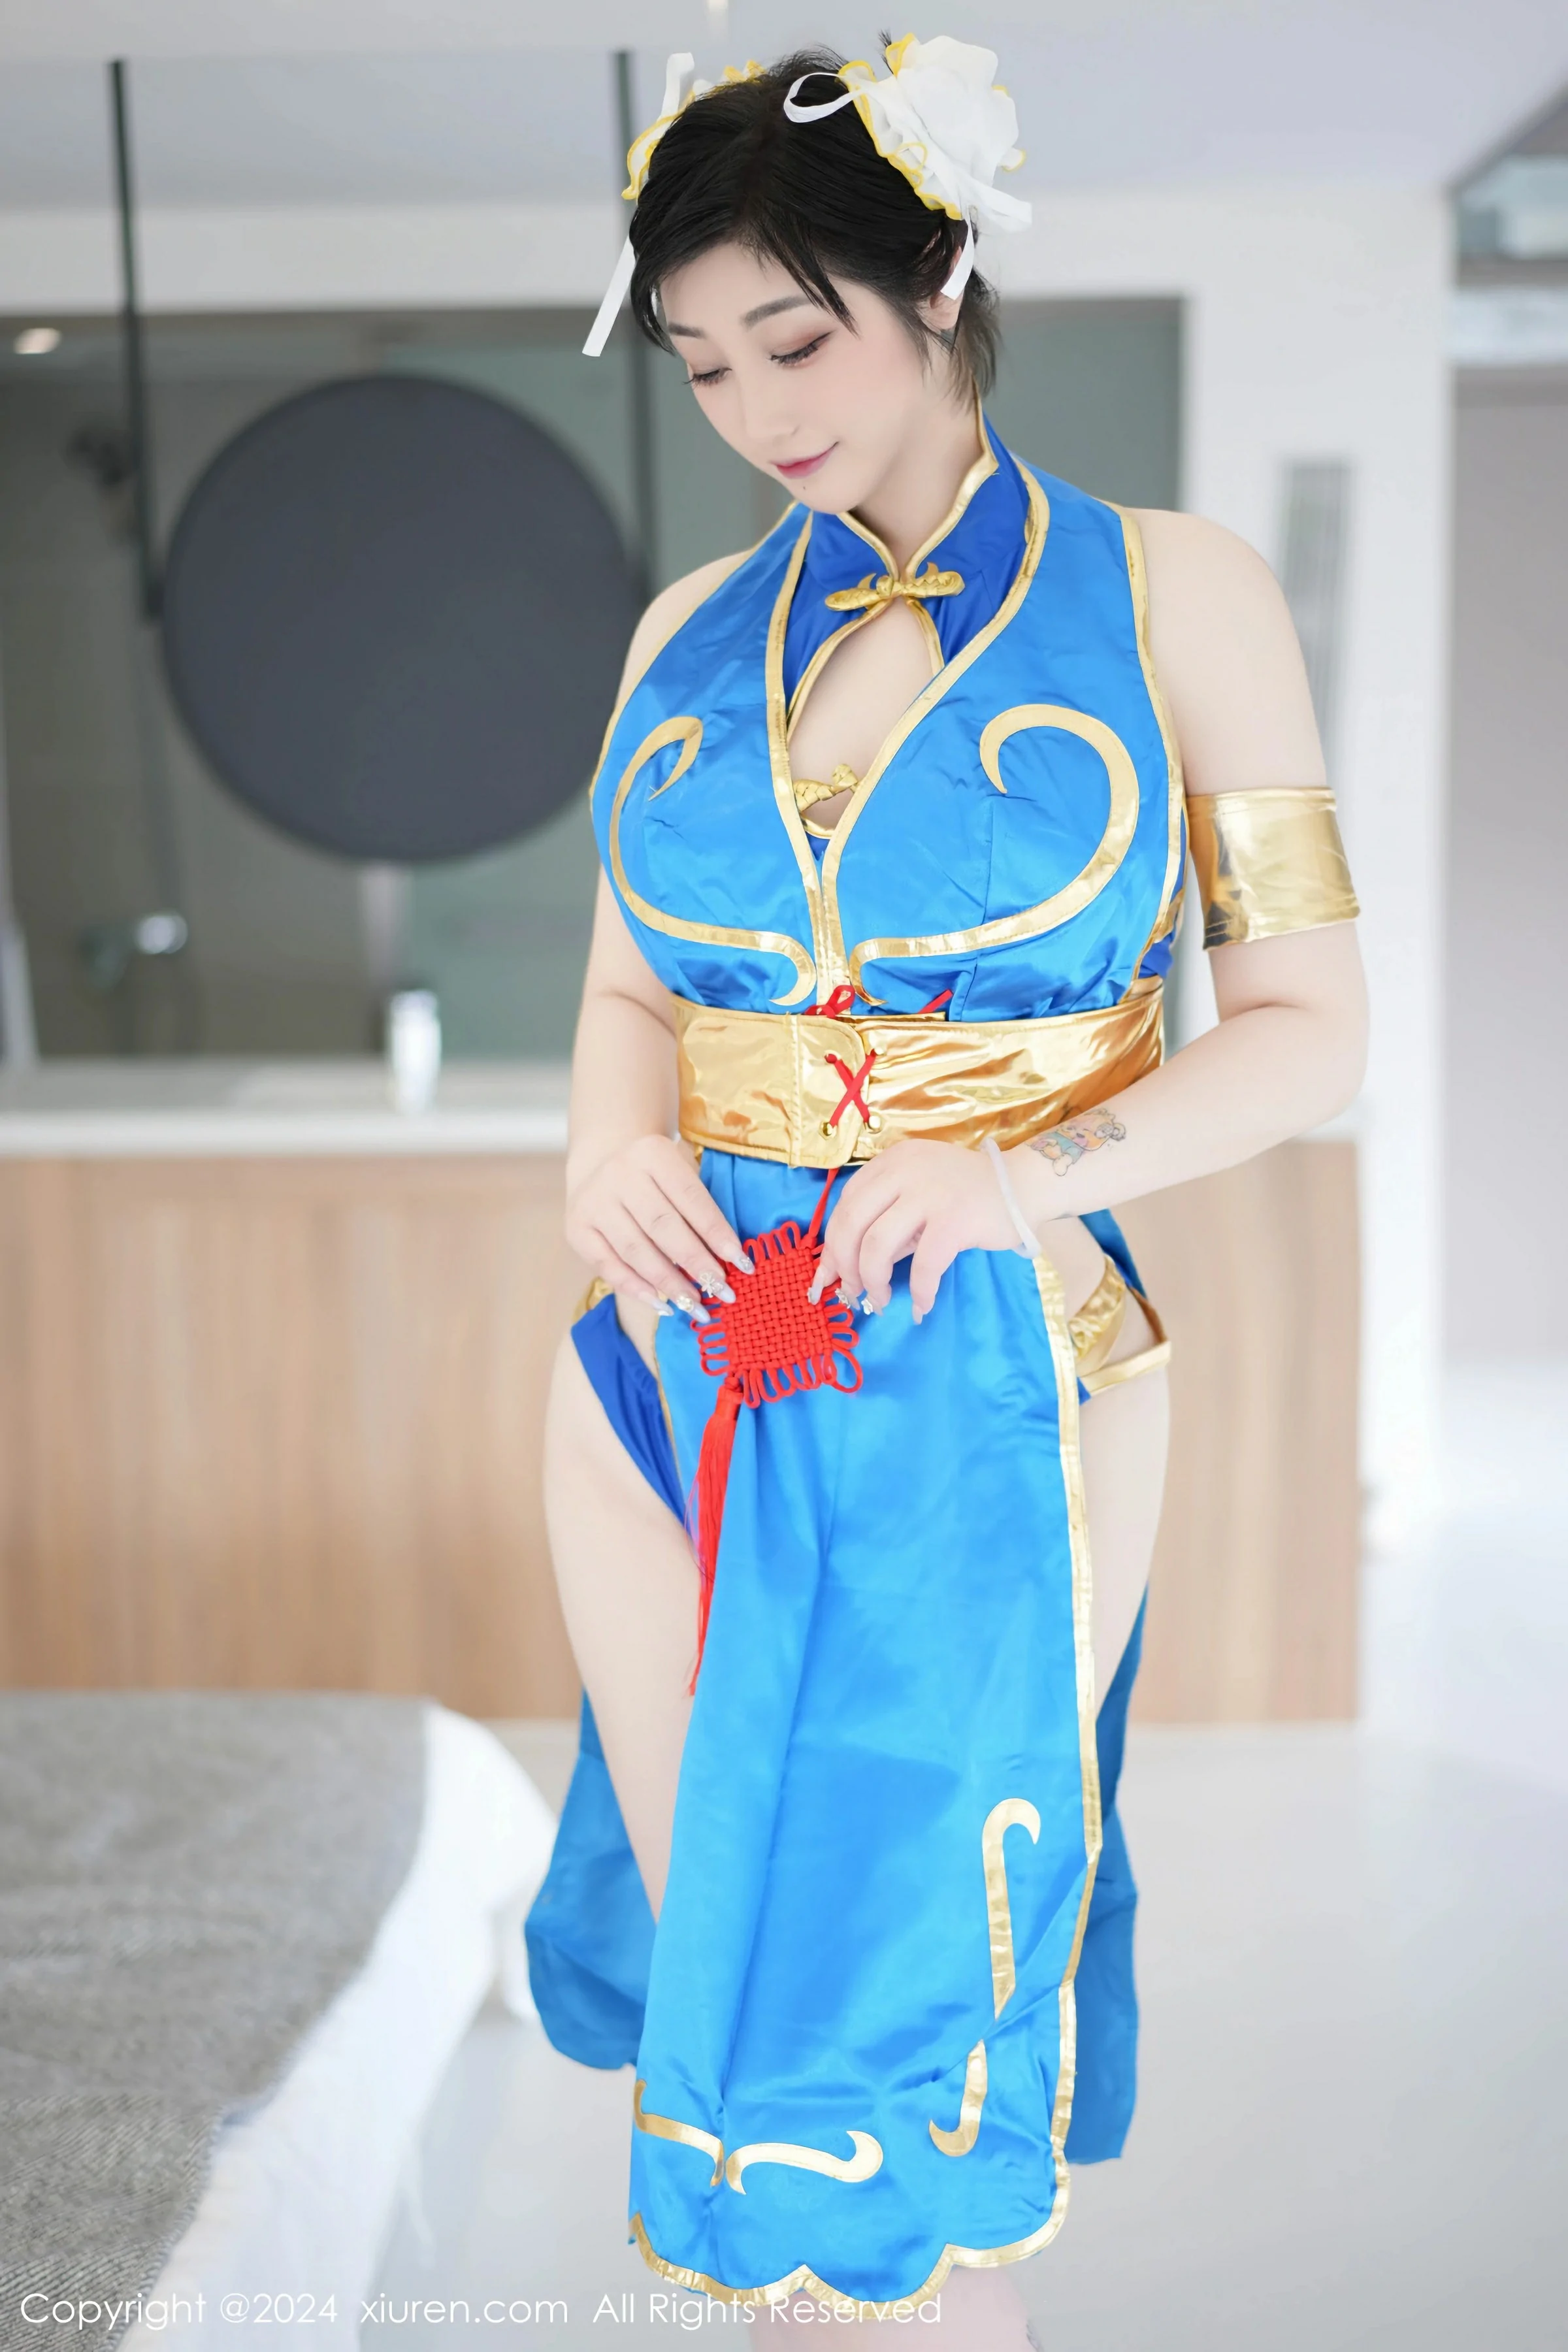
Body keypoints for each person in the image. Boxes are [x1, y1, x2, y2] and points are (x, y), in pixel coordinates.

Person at [523, 35, 1367, 2345]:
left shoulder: (1177, 595)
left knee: (892, 2015)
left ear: (942, 286)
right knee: (736, 1998)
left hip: (1003, 1364)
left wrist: (1022, 1172)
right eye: (699, 360)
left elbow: (1312, 1031)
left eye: (794, 339)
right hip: (664, 1370)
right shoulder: (684, 635)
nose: (752, 407)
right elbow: (626, 993)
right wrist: (606, 1145)